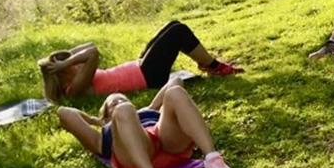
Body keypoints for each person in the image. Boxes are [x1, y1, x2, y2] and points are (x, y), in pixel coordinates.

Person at [57, 79, 237, 168]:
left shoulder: (147, 111)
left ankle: (213, 159)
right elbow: (64, 113)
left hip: (163, 140)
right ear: (105, 114)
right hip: (135, 152)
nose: (118, 100)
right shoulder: (103, 133)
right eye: (112, 103)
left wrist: (152, 106)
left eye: (122, 98)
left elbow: (175, 81)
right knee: (125, 110)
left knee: (175, 92)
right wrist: (96, 121)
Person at [40, 20, 242, 102]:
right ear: (63, 72)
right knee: (178, 32)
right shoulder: (75, 88)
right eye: (71, 64)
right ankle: (214, 67)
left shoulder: (73, 78)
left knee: (173, 25)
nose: (76, 63)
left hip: (140, 66)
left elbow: (89, 44)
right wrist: (66, 63)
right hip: (148, 76)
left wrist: (65, 58)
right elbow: (92, 52)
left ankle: (207, 63)